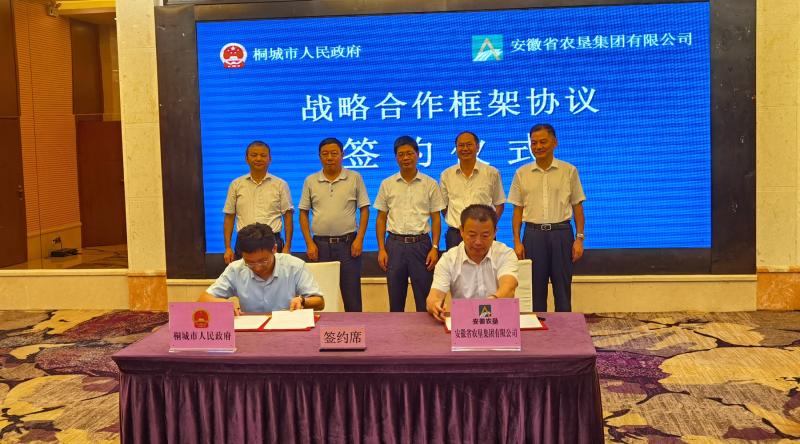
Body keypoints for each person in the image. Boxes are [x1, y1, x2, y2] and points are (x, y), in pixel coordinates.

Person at [508, 123, 585, 312]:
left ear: (554, 142)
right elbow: (517, 211)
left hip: (562, 234)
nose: (538, 147)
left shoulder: (569, 170)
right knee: (535, 290)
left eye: (543, 142)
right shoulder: (521, 173)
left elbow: (577, 206)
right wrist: (517, 241)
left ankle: (564, 327)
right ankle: (538, 328)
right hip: (533, 235)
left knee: (562, 288)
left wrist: (579, 239)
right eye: (534, 143)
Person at [375, 136, 445, 312]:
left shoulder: (430, 184)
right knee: (395, 300)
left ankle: (425, 330)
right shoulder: (387, 184)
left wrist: (435, 247)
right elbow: (381, 218)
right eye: (401, 154)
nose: (405, 158)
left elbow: (436, 218)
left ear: (418, 155)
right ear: (396, 158)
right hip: (394, 245)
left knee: (424, 300)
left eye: (409, 153)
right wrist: (381, 249)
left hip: (421, 246)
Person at [299, 137, 370, 312]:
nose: (329, 157)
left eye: (334, 153)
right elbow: (303, 213)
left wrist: (360, 239)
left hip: (348, 244)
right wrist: (309, 243)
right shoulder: (310, 180)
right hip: (320, 245)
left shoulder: (354, 178)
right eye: (325, 154)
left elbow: (364, 209)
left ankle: (354, 327)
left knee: (352, 295)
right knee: (321, 295)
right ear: (319, 156)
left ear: (342, 155)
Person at [200, 223, 324, 314]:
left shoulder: (294, 266)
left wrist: (302, 301)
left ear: (274, 249)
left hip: (287, 329)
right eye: (250, 263)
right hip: (251, 332)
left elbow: (320, 302)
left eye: (263, 261)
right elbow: (203, 299)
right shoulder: (235, 269)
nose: (257, 268)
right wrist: (224, 304)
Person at [426, 204, 518, 322]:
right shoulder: (448, 260)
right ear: (461, 231)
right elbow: (434, 297)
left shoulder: (505, 254)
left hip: (500, 322)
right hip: (464, 323)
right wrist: (435, 306)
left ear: (495, 232)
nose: (478, 242)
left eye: (485, 235)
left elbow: (508, 288)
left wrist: (488, 305)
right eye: (472, 235)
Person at [222, 140, 294, 264]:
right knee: (244, 275)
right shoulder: (236, 184)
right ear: (246, 159)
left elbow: (288, 216)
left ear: (270, 159)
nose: (258, 158)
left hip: (271, 240)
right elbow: (229, 216)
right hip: (244, 240)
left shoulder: (280, 184)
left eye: (263, 155)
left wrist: (287, 246)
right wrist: (227, 247)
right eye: (254, 155)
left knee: (274, 275)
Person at [440, 131, 506, 250]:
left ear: (477, 147)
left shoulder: (492, 173)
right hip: (456, 234)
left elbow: (499, 204)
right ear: (456, 148)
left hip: (484, 234)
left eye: (469, 145)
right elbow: (444, 207)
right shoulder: (446, 175)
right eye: (461, 145)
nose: (465, 149)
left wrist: (488, 225)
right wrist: (458, 223)